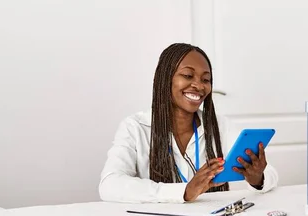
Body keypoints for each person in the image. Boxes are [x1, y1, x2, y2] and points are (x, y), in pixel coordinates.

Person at [98, 43, 278, 203]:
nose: (199, 86)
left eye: (205, 79)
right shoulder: (135, 127)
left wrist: (257, 178)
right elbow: (110, 184)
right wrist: (185, 191)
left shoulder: (221, 126)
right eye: (188, 75)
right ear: (165, 78)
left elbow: (271, 175)